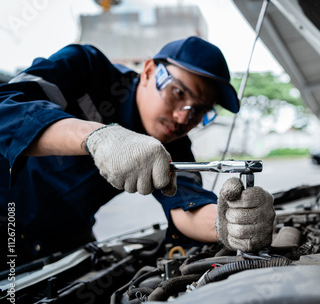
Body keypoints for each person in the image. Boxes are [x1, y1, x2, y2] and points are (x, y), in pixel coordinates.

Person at [0, 36, 275, 267]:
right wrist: (96, 137)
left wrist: (227, 224)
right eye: (178, 93)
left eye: (200, 110)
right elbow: (6, 108)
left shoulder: (174, 145)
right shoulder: (85, 69)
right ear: (148, 71)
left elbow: (187, 207)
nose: (182, 118)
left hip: (61, 238)